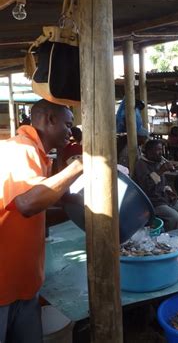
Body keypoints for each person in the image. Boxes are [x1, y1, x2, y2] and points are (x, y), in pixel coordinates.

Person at [0, 99, 83, 342]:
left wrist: (77, 202)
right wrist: (79, 165)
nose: (70, 131)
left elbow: (36, 201)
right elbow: (27, 204)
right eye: (68, 125)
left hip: (24, 284)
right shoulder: (20, 149)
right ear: (49, 120)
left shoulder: (38, 154)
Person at [133, 140, 178, 231]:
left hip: (163, 198)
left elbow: (163, 183)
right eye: (158, 150)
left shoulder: (157, 162)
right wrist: (160, 171)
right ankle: (166, 238)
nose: (161, 153)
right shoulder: (141, 164)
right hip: (151, 202)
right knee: (174, 216)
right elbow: (146, 186)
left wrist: (168, 190)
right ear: (149, 151)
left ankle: (177, 234)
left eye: (161, 149)